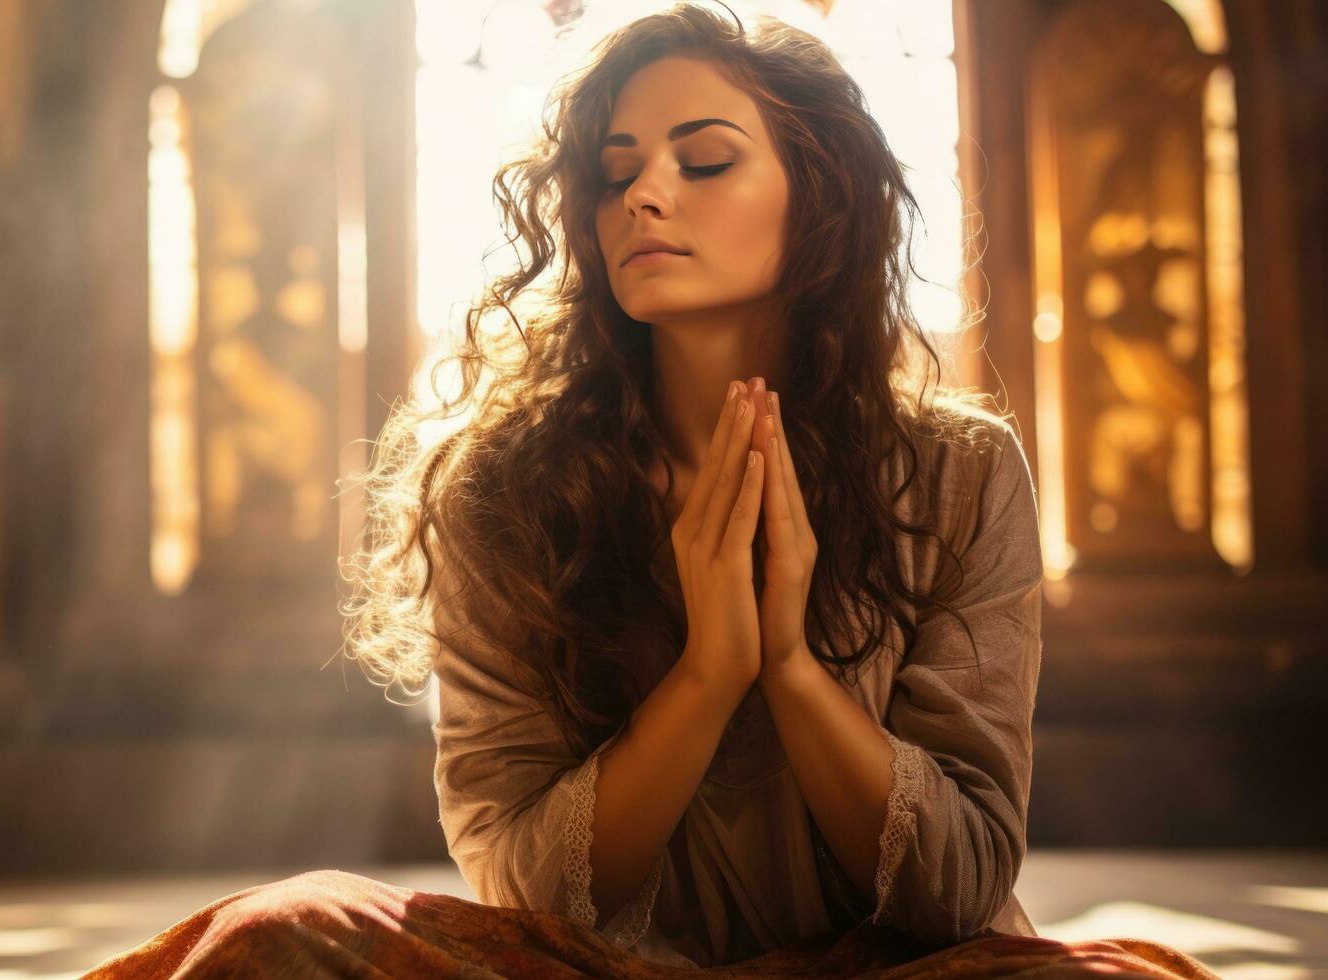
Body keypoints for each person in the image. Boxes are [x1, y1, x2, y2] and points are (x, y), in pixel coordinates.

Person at [86, 5, 1219, 976]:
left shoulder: (961, 471)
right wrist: (707, 672)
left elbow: (961, 883)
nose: (644, 196)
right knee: (282, 933)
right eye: (615, 171)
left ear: (817, 193)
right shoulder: (503, 488)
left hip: (899, 967)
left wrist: (788, 667)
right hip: (599, 972)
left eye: (704, 160)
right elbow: (521, 883)